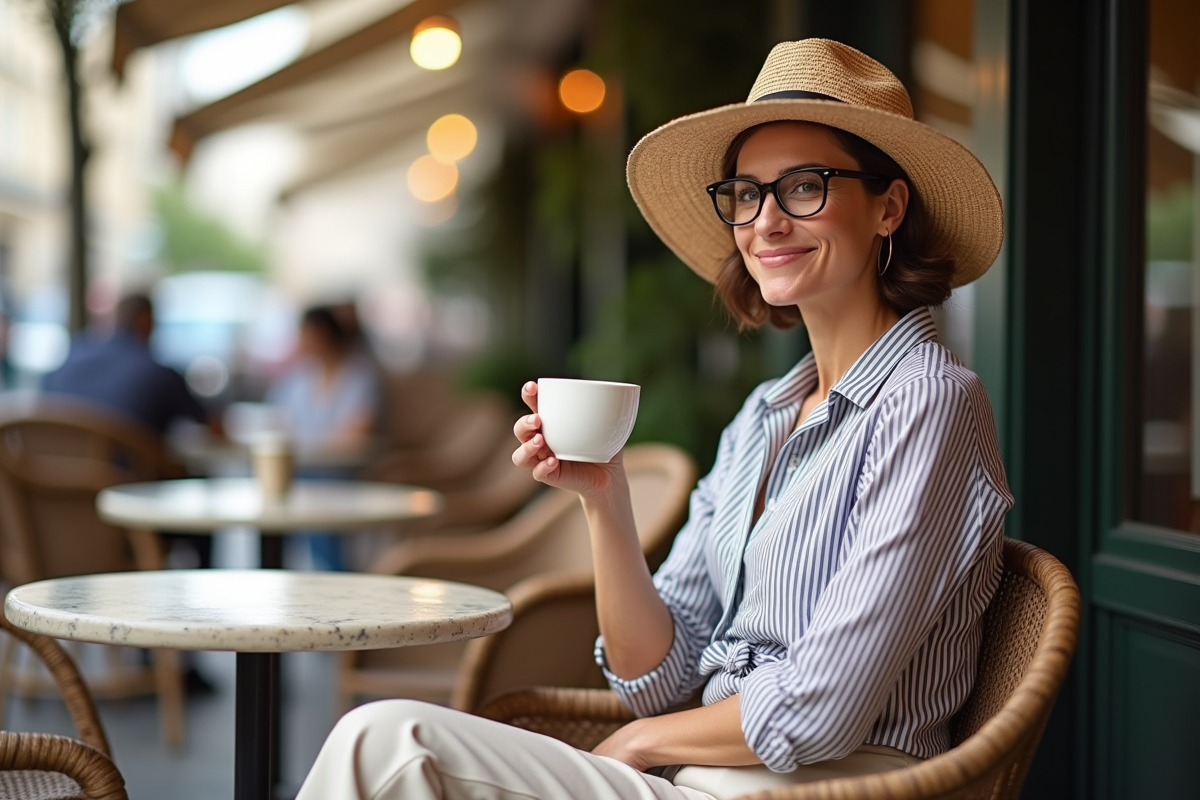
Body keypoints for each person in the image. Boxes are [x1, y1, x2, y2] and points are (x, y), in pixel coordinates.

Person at [294, 39, 1013, 800]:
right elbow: (658, 674)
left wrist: (641, 742)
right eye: (746, 193)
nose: (766, 220)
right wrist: (602, 497)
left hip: (818, 786)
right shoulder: (762, 420)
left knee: (389, 743)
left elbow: (819, 708)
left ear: (888, 206)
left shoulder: (927, 402)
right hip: (700, 775)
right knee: (382, 741)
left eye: (805, 186)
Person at [266, 304, 381, 569]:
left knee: (310, 504)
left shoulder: (359, 376)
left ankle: (332, 575)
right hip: (304, 472)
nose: (300, 341)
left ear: (322, 335)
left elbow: (357, 435)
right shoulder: (297, 378)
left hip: (344, 475)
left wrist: (307, 443)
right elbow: (280, 425)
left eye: (305, 333)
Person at [42, 293, 210, 437]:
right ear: (146, 321)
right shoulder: (158, 374)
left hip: (57, 470)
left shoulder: (71, 357)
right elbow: (211, 426)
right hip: (133, 472)